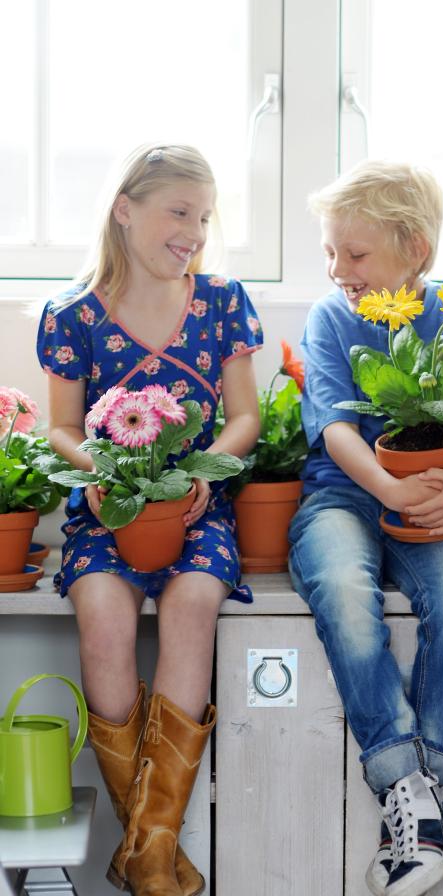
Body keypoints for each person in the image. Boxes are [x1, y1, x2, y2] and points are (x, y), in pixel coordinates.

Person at [36, 144, 262, 896]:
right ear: (125, 210)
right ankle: (156, 856)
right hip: (110, 506)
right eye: (179, 211)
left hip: (198, 505)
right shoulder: (72, 313)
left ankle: (146, 851)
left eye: (202, 216)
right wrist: (105, 473)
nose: (194, 230)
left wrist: (200, 474)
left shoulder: (224, 301)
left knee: (193, 601)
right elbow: (61, 429)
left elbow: (246, 416)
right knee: (100, 611)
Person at [288, 160, 443, 896]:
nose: (337, 268)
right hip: (346, 496)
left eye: (354, 253)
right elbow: (339, 431)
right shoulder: (331, 316)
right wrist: (390, 489)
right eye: (330, 252)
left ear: (414, 248)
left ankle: (425, 790)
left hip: (437, 497)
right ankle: (408, 787)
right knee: (344, 592)